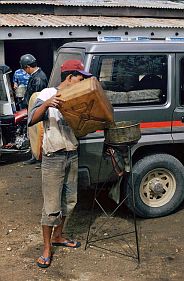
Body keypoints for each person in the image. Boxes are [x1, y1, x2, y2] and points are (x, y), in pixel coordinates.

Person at [28, 59, 92, 268]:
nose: (81, 83)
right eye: (79, 79)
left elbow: (83, 126)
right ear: (69, 77)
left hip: (72, 154)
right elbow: (31, 119)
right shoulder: (46, 94)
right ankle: (46, 248)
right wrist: (47, 104)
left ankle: (58, 236)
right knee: (51, 206)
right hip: (53, 156)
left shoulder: (79, 96)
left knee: (70, 201)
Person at [19, 53, 48, 164]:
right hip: (32, 109)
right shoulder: (36, 76)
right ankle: (35, 156)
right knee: (33, 134)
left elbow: (37, 97)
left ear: (27, 67)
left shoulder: (39, 78)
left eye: (24, 68)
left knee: (39, 134)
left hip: (37, 110)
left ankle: (39, 158)